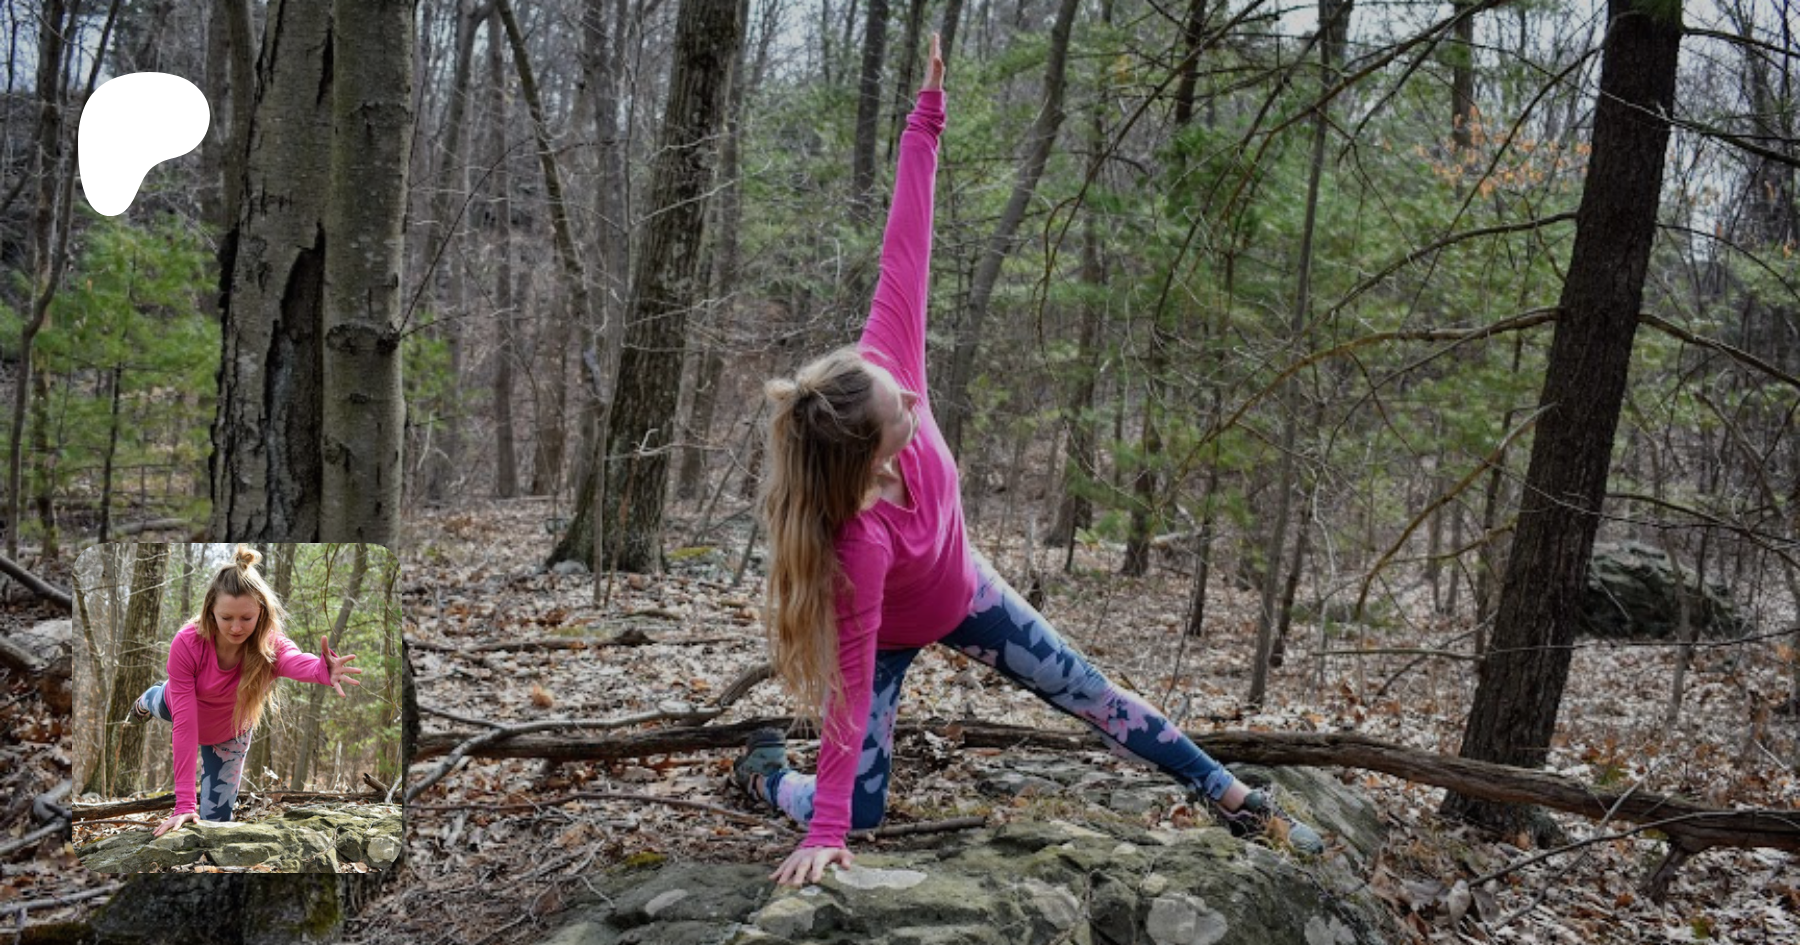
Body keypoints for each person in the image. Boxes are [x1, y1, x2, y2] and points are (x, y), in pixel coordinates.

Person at [733, 33, 1325, 888]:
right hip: (890, 636)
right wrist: (825, 826)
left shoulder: (881, 365)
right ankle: (766, 776)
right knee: (859, 813)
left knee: (1093, 692)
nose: (913, 396)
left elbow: (907, 244)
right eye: (902, 410)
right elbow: (852, 688)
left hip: (969, 594)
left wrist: (927, 116)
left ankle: (1235, 797)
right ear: (871, 457)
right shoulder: (856, 546)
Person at [124, 544, 362, 838]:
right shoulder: (187, 643)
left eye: (246, 618)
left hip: (231, 731)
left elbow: (293, 660)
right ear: (211, 611)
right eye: (226, 618)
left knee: (216, 825)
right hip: (178, 708)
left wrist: (322, 670)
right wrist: (184, 803)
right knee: (157, 699)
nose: (236, 628)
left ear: (261, 612)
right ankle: (145, 700)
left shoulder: (269, 644)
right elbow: (184, 725)